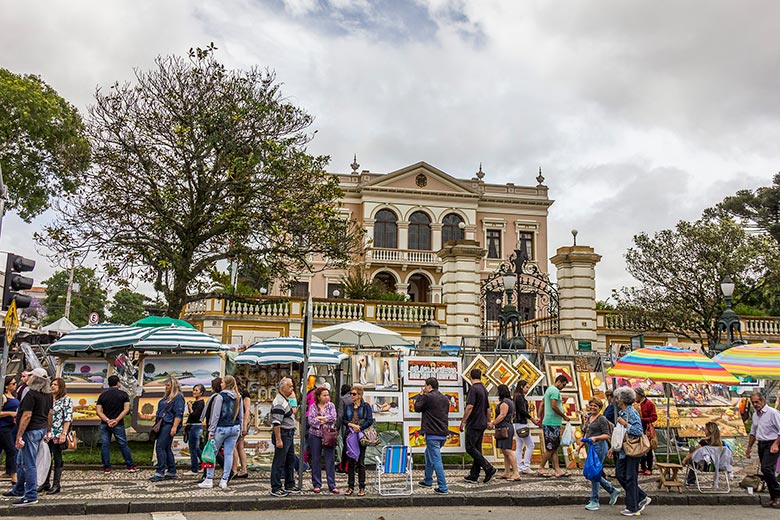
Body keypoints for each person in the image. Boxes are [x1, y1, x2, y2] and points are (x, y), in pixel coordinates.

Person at [3, 368, 52, 506]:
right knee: (21, 461)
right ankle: (19, 489)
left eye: (30, 376)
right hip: (40, 429)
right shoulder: (47, 395)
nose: (28, 378)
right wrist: (48, 430)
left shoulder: (31, 395)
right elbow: (50, 413)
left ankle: (31, 495)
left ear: (35, 378)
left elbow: (26, 415)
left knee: (29, 463)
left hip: (30, 431)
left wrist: (19, 435)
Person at [198, 375, 242, 489]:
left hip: (221, 428)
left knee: (211, 452)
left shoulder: (220, 396)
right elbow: (240, 415)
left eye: (222, 382)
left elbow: (215, 415)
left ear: (226, 384)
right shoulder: (238, 396)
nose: (221, 384)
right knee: (228, 454)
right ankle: (224, 480)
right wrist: (240, 429)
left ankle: (209, 479)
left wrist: (211, 431)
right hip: (235, 427)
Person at [612, 386, 650, 517]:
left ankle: (632, 507)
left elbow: (638, 431)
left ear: (622, 399)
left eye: (617, 398)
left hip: (632, 449)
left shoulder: (631, 413)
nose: (616, 400)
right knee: (620, 474)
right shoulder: (624, 412)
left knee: (630, 477)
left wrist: (625, 424)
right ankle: (641, 496)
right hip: (624, 450)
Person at [578, 398, 620, 511]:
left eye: (595, 406)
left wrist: (596, 438)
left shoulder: (602, 419)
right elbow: (587, 433)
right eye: (591, 405)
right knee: (593, 473)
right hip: (591, 447)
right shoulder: (589, 418)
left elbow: (607, 435)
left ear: (599, 408)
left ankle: (594, 500)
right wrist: (580, 446)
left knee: (594, 473)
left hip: (600, 447)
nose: (592, 408)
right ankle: (611, 490)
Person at [414, 376, 449, 494]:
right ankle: (428, 479)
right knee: (428, 455)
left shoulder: (427, 397)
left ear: (429, 386)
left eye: (425, 386)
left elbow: (417, 408)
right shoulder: (444, 398)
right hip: (442, 433)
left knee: (436, 460)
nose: (424, 388)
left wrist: (420, 395)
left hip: (432, 433)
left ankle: (443, 487)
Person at [459, 368, 496, 483]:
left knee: (470, 447)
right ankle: (474, 474)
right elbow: (488, 408)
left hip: (473, 423)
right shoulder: (484, 389)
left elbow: (470, 406)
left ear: (470, 377)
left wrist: (463, 421)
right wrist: (488, 421)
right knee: (477, 449)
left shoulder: (473, 389)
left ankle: (488, 467)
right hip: (482, 422)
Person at [745, 391, 780, 509]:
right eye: (753, 402)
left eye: (757, 402)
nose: (755, 404)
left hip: (772, 443)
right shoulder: (756, 415)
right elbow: (753, 432)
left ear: (763, 401)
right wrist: (749, 447)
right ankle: (773, 498)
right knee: (765, 471)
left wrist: (775, 444)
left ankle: (778, 495)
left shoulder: (772, 413)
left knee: (767, 468)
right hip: (762, 444)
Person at [96, 375, 137, 474]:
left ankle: (107, 467)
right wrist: (116, 420)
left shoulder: (102, 395)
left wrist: (107, 420)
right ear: (118, 383)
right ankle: (130, 466)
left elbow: (98, 411)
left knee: (105, 445)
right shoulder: (123, 394)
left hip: (105, 424)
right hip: (118, 424)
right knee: (122, 444)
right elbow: (126, 409)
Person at [38, 378, 72, 495]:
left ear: (61, 387)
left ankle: (56, 483)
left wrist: (64, 433)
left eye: (55, 385)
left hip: (58, 432)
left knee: (57, 457)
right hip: (46, 432)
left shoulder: (66, 400)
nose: (52, 386)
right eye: (51, 384)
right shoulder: (47, 399)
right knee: (46, 457)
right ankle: (45, 482)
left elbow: (67, 418)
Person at [150, 377, 185, 482]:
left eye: (168, 385)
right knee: (166, 448)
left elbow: (178, 413)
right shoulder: (167, 397)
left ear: (173, 386)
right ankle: (171, 470)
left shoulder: (178, 397)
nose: (166, 387)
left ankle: (160, 471)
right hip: (163, 423)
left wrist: (174, 427)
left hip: (169, 424)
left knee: (160, 447)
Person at [270, 377, 299, 497]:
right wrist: (278, 439)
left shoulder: (285, 399)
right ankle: (276, 487)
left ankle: (289, 483)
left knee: (290, 460)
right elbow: (276, 423)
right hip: (283, 434)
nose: (292, 388)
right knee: (279, 461)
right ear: (283, 387)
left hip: (288, 433)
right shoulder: (279, 402)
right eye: (290, 386)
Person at [307, 385, 338, 494]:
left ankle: (332, 484)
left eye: (327, 395)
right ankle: (317, 484)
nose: (327, 397)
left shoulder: (331, 406)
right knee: (316, 459)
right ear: (319, 396)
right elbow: (311, 420)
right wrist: (324, 420)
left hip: (328, 435)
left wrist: (321, 418)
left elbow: (333, 418)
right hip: (315, 435)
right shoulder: (313, 407)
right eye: (324, 395)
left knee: (330, 460)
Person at [343, 385, 373, 496]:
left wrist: (360, 427)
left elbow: (370, 420)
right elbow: (344, 419)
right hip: (350, 435)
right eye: (351, 393)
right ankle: (350, 486)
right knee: (350, 462)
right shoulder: (348, 406)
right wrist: (351, 424)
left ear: (360, 395)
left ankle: (362, 486)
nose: (352, 396)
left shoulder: (366, 407)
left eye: (354, 394)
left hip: (361, 435)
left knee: (360, 462)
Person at [538, 374, 570, 478]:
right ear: (559, 381)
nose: (563, 387)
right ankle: (541, 467)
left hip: (550, 422)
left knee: (554, 447)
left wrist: (539, 416)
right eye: (563, 385)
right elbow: (554, 406)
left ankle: (557, 469)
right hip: (552, 422)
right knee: (551, 447)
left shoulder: (548, 390)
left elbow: (542, 404)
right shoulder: (555, 391)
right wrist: (564, 416)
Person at [489, 384, 519, 481]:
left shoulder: (505, 402)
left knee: (507, 450)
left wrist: (493, 423)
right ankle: (507, 472)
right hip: (506, 427)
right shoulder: (510, 401)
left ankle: (516, 472)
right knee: (505, 450)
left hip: (505, 427)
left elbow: (502, 415)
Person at [683, 421, 725, 487]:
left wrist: (685, 459)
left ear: (709, 431)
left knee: (692, 451)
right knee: (695, 452)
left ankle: (691, 481)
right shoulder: (722, 443)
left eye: (705, 429)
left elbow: (694, 454)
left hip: (704, 466)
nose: (704, 431)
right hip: (718, 466)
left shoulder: (704, 442)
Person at [513, 380, 539, 475]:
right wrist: (531, 418)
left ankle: (519, 466)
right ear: (521, 387)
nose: (528, 389)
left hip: (517, 422)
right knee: (530, 445)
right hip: (521, 422)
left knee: (519, 446)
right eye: (527, 387)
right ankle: (526, 466)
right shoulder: (519, 396)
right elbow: (521, 410)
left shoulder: (517, 396)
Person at [0, 376, 19, 487]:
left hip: (11, 427)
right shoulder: (3, 397)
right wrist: (10, 413)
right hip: (3, 427)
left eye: (15, 383)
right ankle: (14, 477)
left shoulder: (14, 396)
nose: (15, 385)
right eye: (12, 384)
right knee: (11, 450)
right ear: (6, 386)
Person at [231, 376, 251, 479]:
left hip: (242, 422)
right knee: (240, 446)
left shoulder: (243, 394)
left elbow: (247, 410)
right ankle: (243, 469)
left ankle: (234, 469)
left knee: (234, 445)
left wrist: (244, 425)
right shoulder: (241, 394)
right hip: (241, 422)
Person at [635, 388, 657, 475]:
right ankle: (642, 466)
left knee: (648, 448)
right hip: (639, 428)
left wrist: (642, 419)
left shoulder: (649, 404)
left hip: (646, 428)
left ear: (640, 395)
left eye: (636, 395)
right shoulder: (636, 404)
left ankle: (649, 468)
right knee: (641, 447)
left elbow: (654, 417)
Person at [186, 384, 206, 474]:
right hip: (191, 426)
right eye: (193, 390)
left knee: (193, 449)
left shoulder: (200, 403)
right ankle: (204, 464)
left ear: (201, 392)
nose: (194, 392)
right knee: (196, 448)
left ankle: (194, 469)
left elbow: (195, 415)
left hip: (195, 426)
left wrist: (190, 407)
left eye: (196, 390)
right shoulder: (195, 402)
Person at [336, 383, 352, 473]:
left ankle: (344, 466)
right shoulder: (357, 398)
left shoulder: (343, 399)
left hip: (348, 426)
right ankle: (354, 466)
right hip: (358, 427)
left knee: (346, 446)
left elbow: (340, 416)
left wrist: (336, 428)